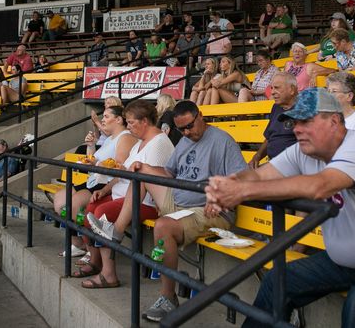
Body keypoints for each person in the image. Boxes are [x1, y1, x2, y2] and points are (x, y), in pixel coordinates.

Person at [205, 88, 355, 328]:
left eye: (306, 121)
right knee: (278, 279)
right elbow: (258, 175)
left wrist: (242, 192)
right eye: (294, 122)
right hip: (352, 264)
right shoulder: (303, 150)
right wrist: (226, 185)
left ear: (334, 121)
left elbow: (320, 186)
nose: (297, 129)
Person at [87, 101, 247, 321]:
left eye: (190, 126)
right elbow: (169, 174)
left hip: (210, 209)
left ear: (200, 116)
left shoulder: (222, 141)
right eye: (181, 129)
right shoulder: (185, 140)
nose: (187, 133)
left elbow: (242, 178)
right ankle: (116, 232)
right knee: (140, 173)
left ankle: (168, 297)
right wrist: (145, 168)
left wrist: (221, 196)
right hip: (179, 202)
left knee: (163, 226)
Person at [79, 100, 175, 288]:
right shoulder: (139, 142)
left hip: (146, 202)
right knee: (90, 208)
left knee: (102, 213)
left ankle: (108, 275)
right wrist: (104, 189)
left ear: (144, 121)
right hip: (124, 195)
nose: (128, 126)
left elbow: (152, 181)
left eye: (131, 122)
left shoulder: (159, 142)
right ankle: (96, 261)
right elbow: (124, 171)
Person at [56, 105, 136, 259]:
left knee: (72, 206)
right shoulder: (109, 139)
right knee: (59, 201)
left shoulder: (125, 137)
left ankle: (90, 250)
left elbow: (118, 167)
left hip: (105, 184)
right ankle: (78, 244)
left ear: (119, 120)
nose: (102, 120)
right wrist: (91, 145)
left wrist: (96, 164)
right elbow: (93, 160)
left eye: (106, 116)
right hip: (93, 180)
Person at [247, 72, 298, 168]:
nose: (272, 92)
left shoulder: (304, 109)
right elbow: (270, 137)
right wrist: (257, 156)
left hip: (291, 166)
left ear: (291, 90)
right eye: (272, 88)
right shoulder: (276, 107)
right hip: (273, 163)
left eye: (277, 88)